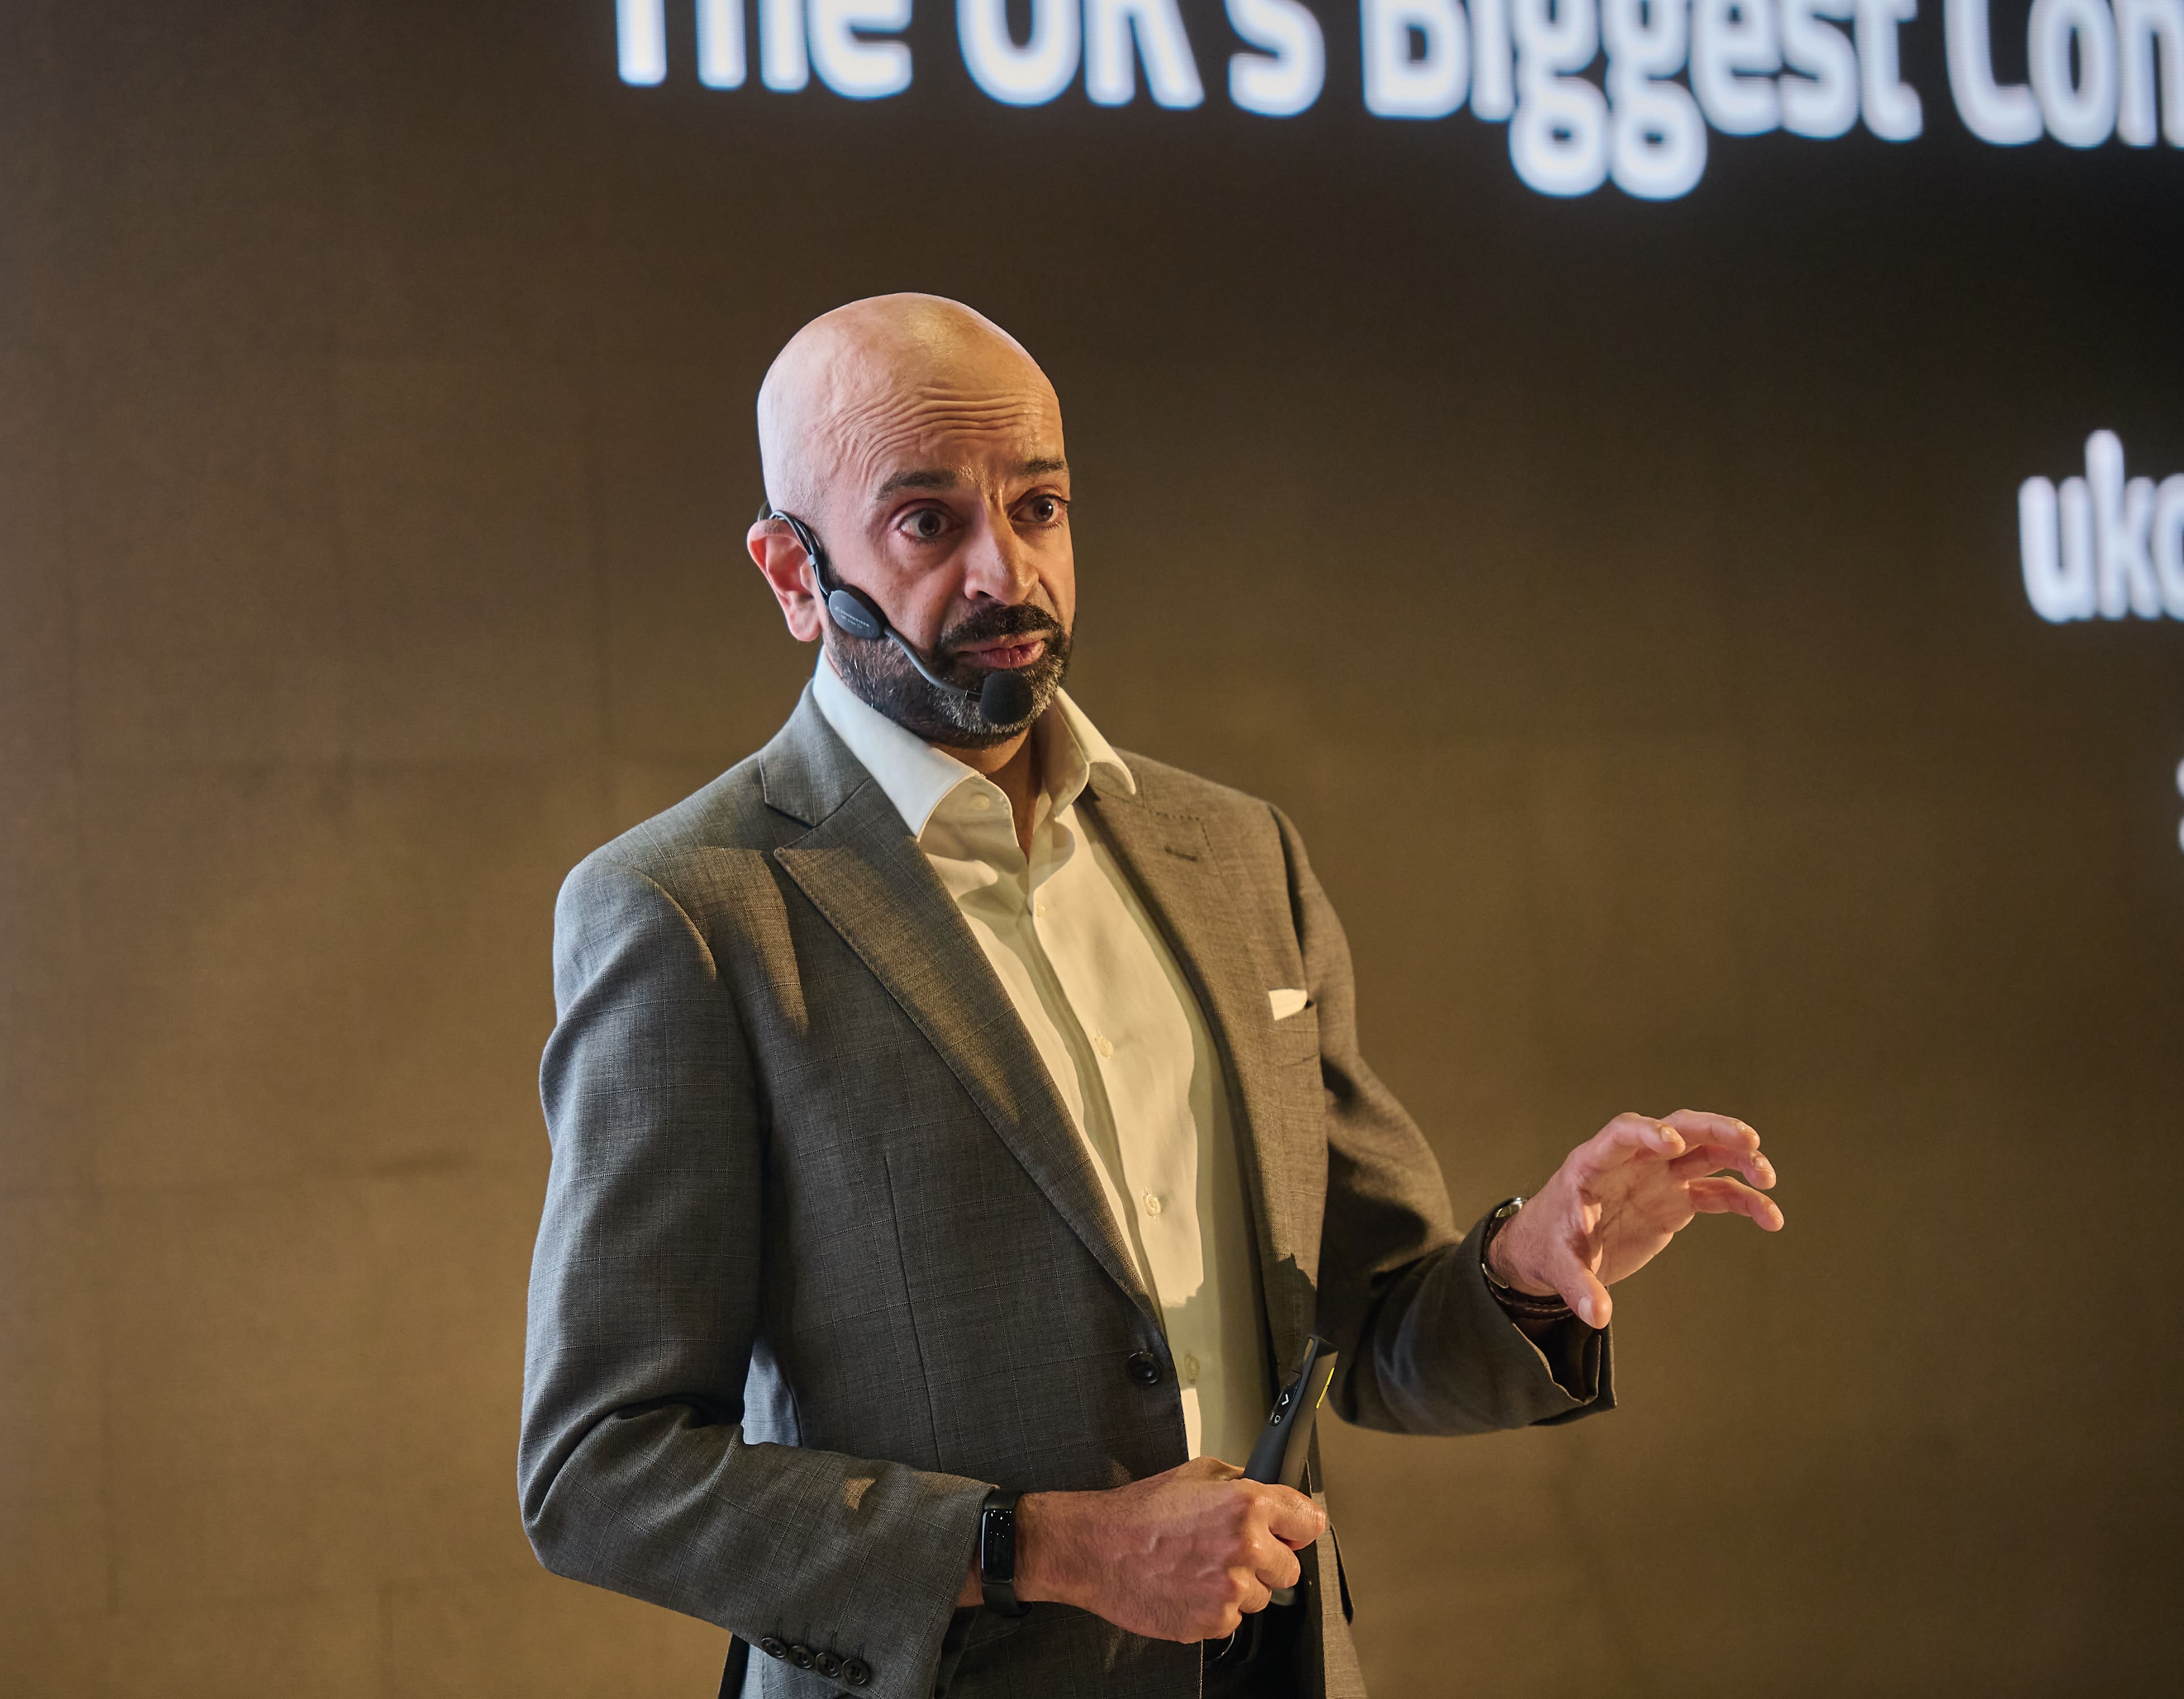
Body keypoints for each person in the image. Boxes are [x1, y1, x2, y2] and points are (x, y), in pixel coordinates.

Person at [519, 295, 1784, 1699]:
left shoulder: (1239, 855)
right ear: (792, 573)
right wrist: (1049, 1546)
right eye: (928, 521)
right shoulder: (688, 908)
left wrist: (1527, 1273)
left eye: (1041, 506)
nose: (1007, 571)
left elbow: (1369, 1325)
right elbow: (599, 1470)